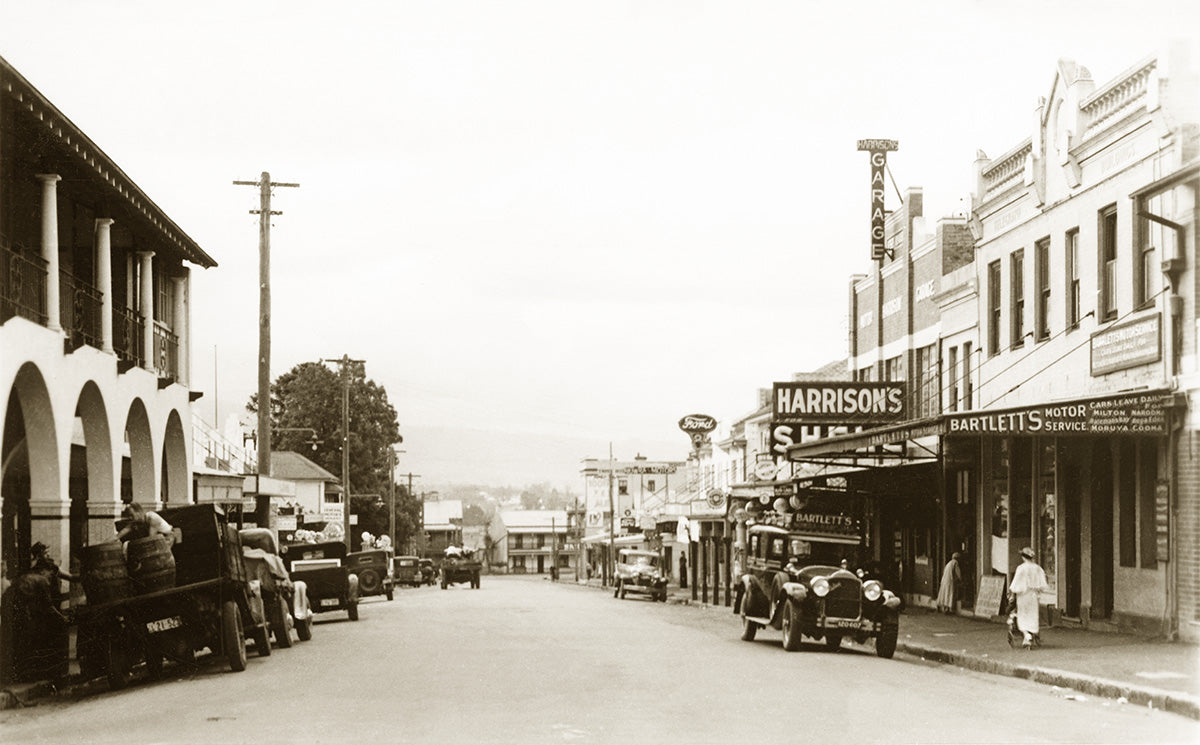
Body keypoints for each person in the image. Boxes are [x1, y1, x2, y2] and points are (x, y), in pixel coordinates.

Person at [1009, 547, 1047, 649]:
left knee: (1022, 616)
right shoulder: (1038, 568)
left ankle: (1026, 635)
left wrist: (1012, 595)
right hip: (1033, 596)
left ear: (1023, 557)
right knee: (1033, 616)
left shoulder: (1021, 568)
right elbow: (1043, 585)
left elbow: (1016, 584)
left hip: (1023, 595)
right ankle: (1029, 636)